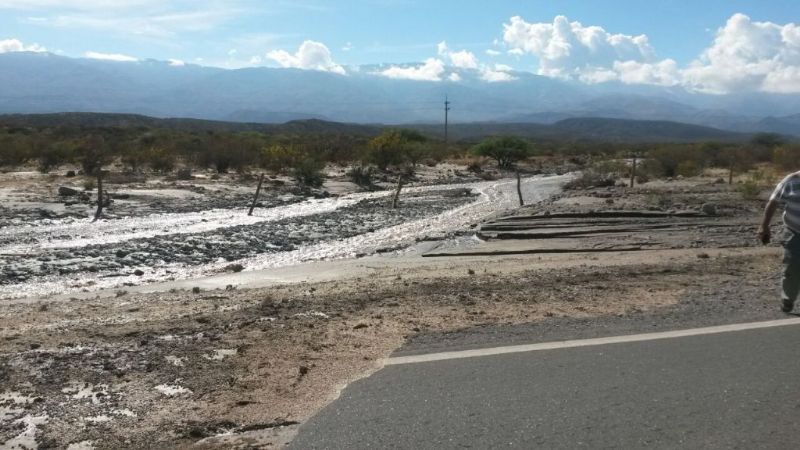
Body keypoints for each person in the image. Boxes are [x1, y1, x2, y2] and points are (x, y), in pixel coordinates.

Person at [758, 171, 800, 312]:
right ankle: (788, 298)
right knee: (793, 266)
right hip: (795, 232)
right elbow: (773, 202)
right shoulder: (791, 180)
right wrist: (764, 226)